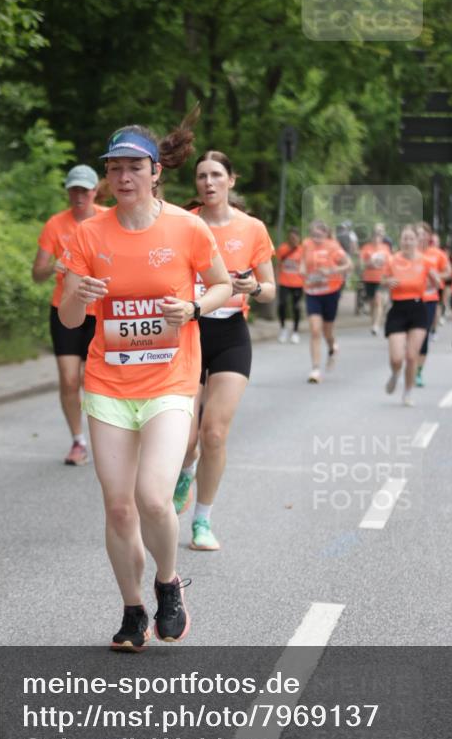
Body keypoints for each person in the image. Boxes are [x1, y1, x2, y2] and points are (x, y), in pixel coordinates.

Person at [59, 121, 231, 651]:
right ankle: (133, 608)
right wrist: (77, 294)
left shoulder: (187, 228)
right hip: (109, 381)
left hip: (170, 380)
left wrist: (195, 307)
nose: (124, 176)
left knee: (154, 498)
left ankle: (168, 584)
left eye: (135, 167)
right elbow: (69, 320)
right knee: (118, 507)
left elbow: (222, 284)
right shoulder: (89, 234)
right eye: (116, 168)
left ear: (156, 173)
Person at [171, 151, 275, 551]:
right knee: (188, 435)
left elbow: (270, 289)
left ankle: (202, 521)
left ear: (231, 180)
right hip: (190, 332)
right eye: (201, 176)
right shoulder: (183, 223)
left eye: (216, 175)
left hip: (232, 332)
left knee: (214, 432)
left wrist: (252, 288)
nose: (208, 182)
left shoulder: (252, 228)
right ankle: (185, 469)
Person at [32, 165, 107, 465]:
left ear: (95, 191)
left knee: (96, 380)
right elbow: (37, 274)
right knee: (68, 379)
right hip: (64, 310)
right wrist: (56, 266)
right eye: (74, 189)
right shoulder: (55, 224)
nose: (79, 196)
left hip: (100, 311)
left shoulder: (107, 220)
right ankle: (78, 440)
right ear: (68, 191)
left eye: (85, 190)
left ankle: (106, 440)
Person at [382, 225, 440, 406]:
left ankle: (407, 392)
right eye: (404, 238)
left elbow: (437, 283)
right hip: (398, 308)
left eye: (411, 238)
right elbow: (383, 280)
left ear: (417, 241)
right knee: (396, 358)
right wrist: (388, 282)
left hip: (418, 309)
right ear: (400, 241)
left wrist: (435, 278)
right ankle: (395, 373)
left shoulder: (425, 261)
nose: (407, 242)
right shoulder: (392, 260)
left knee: (411, 356)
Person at [300, 220, 352, 383]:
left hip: (330, 292)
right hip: (312, 292)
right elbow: (302, 265)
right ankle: (315, 369)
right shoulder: (306, 245)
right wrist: (304, 273)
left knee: (327, 331)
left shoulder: (333, 246)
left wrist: (331, 271)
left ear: (326, 234)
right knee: (315, 330)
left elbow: (348, 265)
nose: (316, 238)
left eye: (319, 235)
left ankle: (332, 347)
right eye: (313, 235)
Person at [415, 222, 450, 387]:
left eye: (423, 234)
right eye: (417, 233)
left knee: (422, 336)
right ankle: (410, 363)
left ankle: (419, 371)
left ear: (428, 236)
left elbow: (448, 272)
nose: (420, 236)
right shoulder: (407, 254)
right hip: (409, 300)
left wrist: (436, 275)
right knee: (410, 337)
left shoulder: (437, 254)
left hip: (429, 298)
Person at [359, 223, 389, 335]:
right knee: (372, 303)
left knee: (378, 301)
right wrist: (369, 263)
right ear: (372, 236)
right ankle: (373, 323)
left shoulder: (385, 248)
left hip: (381, 278)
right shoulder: (366, 248)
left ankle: (376, 325)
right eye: (376, 234)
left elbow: (390, 262)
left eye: (380, 234)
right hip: (369, 278)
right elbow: (361, 263)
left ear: (382, 236)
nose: (377, 237)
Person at [276, 228, 303, 344]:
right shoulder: (282, 249)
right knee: (282, 304)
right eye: (291, 238)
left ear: (298, 238)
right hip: (284, 282)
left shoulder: (302, 251)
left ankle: (295, 331)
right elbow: (278, 264)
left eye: (295, 238)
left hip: (298, 283)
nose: (293, 240)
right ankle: (283, 328)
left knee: (296, 307)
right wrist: (275, 279)